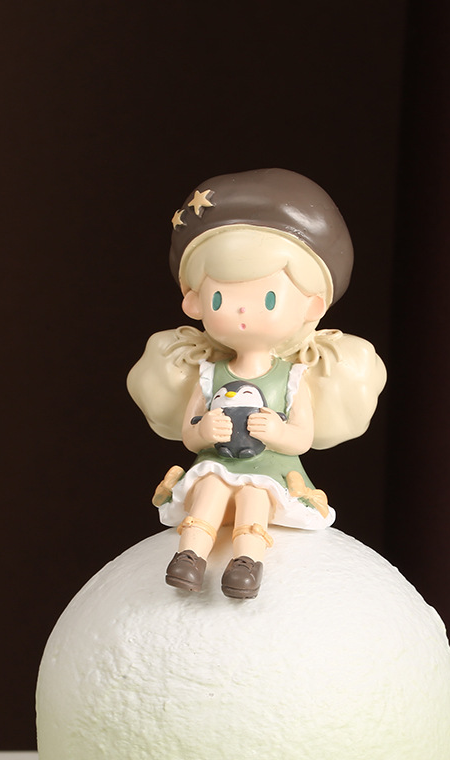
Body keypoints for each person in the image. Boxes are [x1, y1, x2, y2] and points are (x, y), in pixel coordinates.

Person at [128, 168, 386, 599]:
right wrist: (204, 431)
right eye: (220, 298)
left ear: (312, 306)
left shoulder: (293, 376)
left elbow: (301, 438)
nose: (242, 312)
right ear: (193, 302)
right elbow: (191, 432)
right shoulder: (208, 372)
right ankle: (189, 555)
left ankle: (246, 562)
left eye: (268, 298)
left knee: (254, 497)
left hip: (268, 470)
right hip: (217, 463)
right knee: (208, 489)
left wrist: (277, 431)